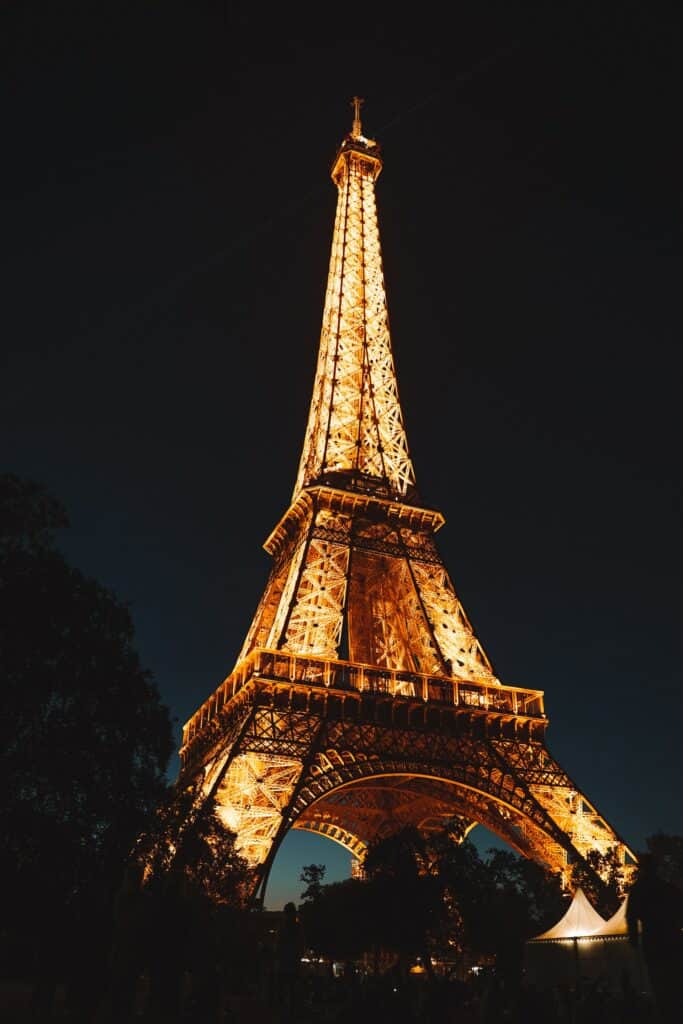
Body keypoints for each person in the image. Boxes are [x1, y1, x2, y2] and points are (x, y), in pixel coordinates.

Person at [626, 853, 683, 1022]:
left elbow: (631, 917)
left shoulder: (637, 890)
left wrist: (634, 939)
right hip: (673, 939)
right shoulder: (669, 888)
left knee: (659, 985)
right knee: (676, 983)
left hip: (653, 941)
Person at [274, 902, 305, 1021]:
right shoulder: (298, 928)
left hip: (285, 964)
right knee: (292, 991)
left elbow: (278, 946)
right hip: (292, 964)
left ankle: (284, 1014)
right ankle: (291, 1014)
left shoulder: (282, 928)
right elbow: (301, 945)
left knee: (283, 991)